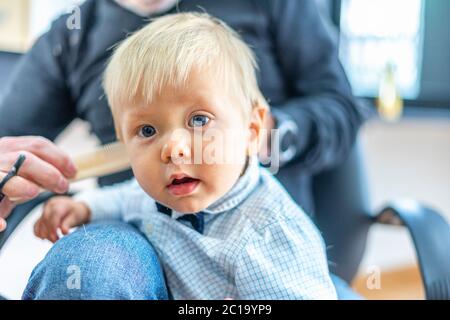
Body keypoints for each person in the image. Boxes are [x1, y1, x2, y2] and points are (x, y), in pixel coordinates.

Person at [0, 0, 364, 299]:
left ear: (252, 128)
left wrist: (263, 137)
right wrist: (82, 206)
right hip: (136, 242)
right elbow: (130, 198)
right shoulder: (73, 34)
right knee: (88, 267)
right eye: (146, 129)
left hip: (268, 271)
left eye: (200, 120)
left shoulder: (267, 239)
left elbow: (343, 109)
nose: (173, 149)